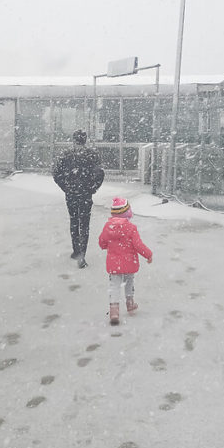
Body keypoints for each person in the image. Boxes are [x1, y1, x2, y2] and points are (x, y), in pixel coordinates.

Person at [51, 128, 104, 268]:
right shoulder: (92, 154)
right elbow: (100, 173)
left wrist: (65, 187)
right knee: (84, 223)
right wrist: (93, 187)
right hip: (86, 194)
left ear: (74, 140)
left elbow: (56, 173)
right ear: (85, 140)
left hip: (71, 193)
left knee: (74, 220)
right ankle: (82, 255)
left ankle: (76, 250)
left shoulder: (66, 154)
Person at [98, 197, 152, 326]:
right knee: (129, 282)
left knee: (114, 286)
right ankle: (130, 303)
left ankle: (114, 311)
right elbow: (138, 245)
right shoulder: (131, 228)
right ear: (128, 212)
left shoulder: (108, 227)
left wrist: (107, 245)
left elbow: (102, 242)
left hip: (114, 264)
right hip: (129, 262)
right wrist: (148, 255)